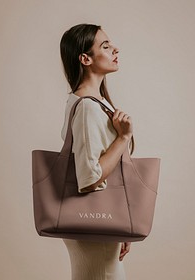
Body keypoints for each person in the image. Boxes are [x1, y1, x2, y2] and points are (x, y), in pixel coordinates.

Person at [60, 23, 134, 280]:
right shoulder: (87, 108)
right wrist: (123, 137)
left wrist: (122, 226)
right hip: (94, 228)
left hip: (101, 226)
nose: (115, 49)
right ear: (85, 58)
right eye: (105, 45)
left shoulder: (93, 103)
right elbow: (89, 178)